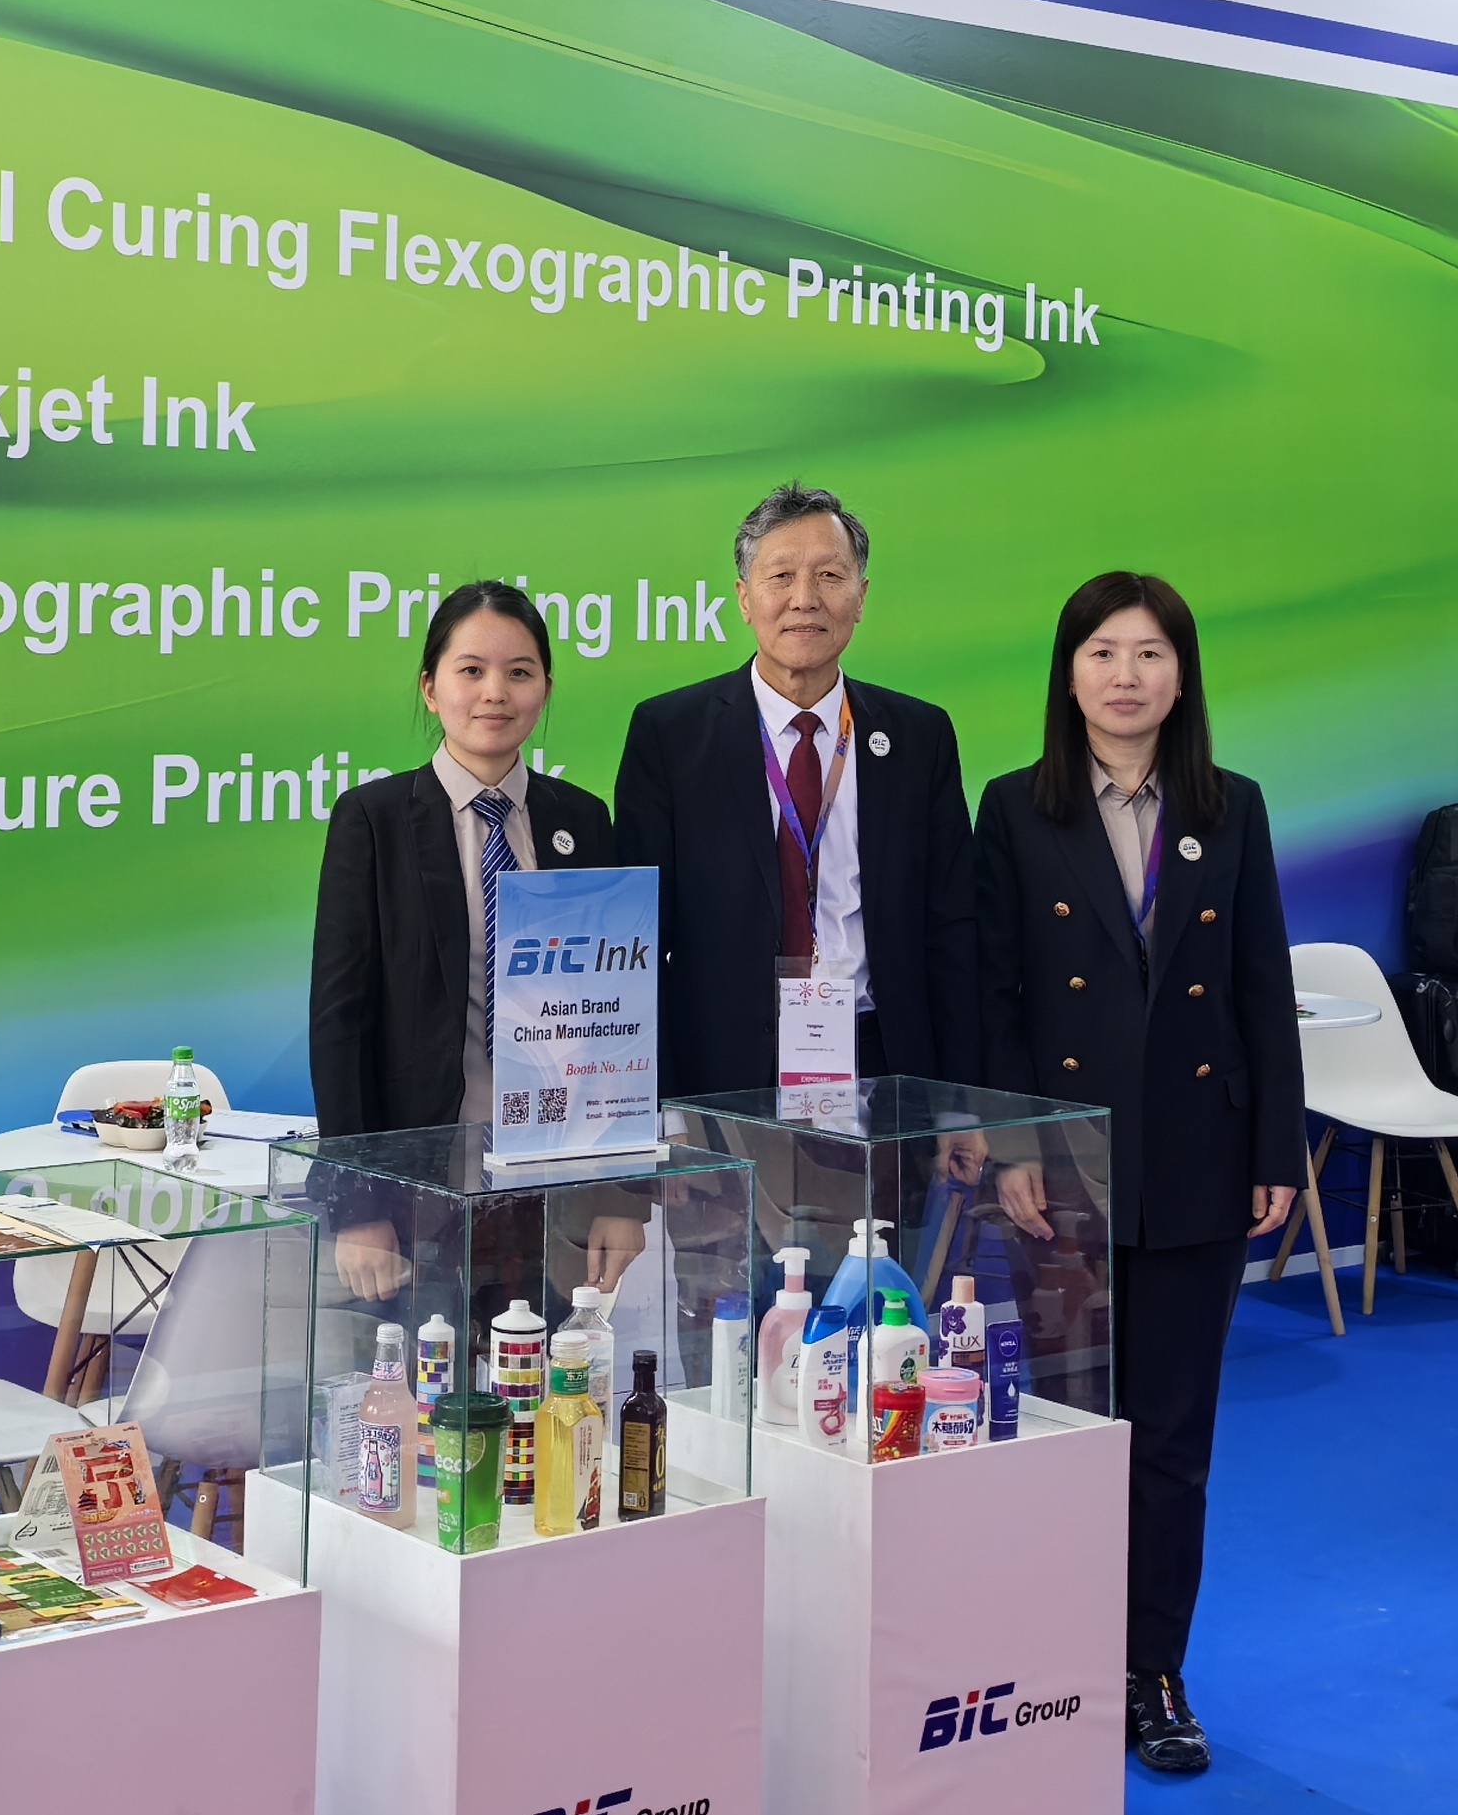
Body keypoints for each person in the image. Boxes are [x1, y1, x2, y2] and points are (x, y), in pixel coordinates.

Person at [973, 569, 1302, 1779]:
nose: (1126, 674)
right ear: (1068, 675)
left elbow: (1261, 982)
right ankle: (1054, 1665)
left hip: (1199, 1165)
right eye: (1103, 651)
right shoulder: (1015, 809)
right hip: (1062, 1172)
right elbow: (995, 998)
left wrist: (1274, 1149)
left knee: (1171, 1441)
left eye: (1150, 653)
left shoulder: (1231, 806)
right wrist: (1012, 1144)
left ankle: (1154, 1673)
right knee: (1065, 1430)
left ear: (1181, 675)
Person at [307, 581, 624, 1300]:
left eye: (520, 672)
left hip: (553, 1182)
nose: (495, 693)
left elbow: (611, 1017)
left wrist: (618, 1195)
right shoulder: (374, 821)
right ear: (430, 688)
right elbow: (339, 1025)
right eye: (471, 670)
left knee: (554, 1370)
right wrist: (359, 1206)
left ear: (546, 689)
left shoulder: (583, 822)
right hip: (418, 1190)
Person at [614, 483, 976, 1100]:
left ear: (861, 597)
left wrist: (959, 1104)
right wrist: (661, 1103)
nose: (804, 599)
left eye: (829, 575)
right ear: (744, 598)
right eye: (780, 576)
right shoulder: (669, 735)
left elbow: (953, 932)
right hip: (722, 1070)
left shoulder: (919, 736)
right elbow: (641, 940)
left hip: (883, 1059)